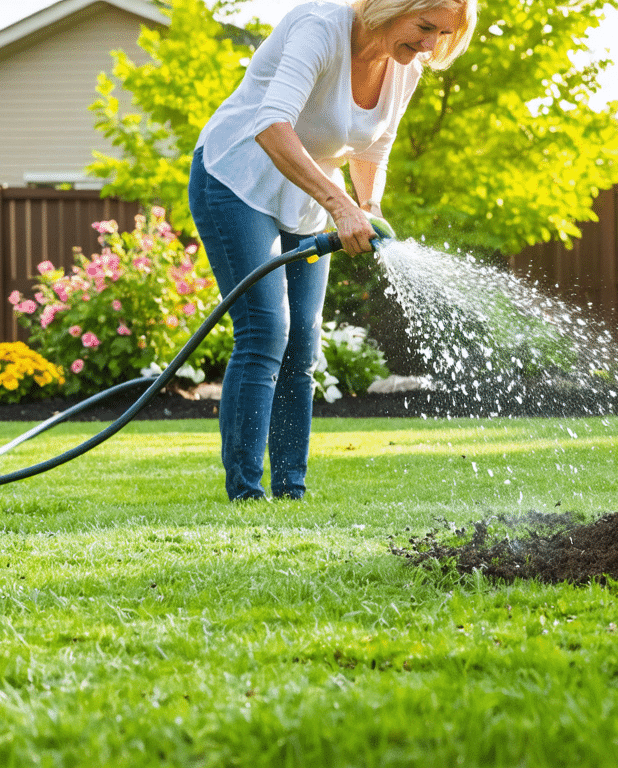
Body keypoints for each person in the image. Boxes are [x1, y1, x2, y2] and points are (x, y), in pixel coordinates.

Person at [189, 0, 477, 501]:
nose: (431, 45)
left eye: (442, 34)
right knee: (265, 331)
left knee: (302, 342)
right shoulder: (320, 28)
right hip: (237, 178)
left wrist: (369, 206)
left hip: (307, 196)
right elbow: (271, 125)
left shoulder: (404, 66)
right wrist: (342, 206)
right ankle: (245, 492)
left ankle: (290, 492)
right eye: (425, 26)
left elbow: (371, 148)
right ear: (392, 6)